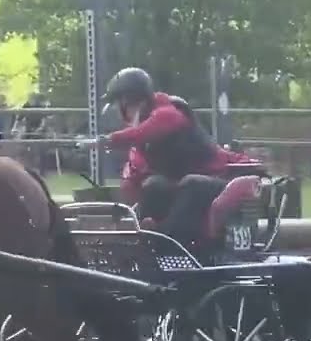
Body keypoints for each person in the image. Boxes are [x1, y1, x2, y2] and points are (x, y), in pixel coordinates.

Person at [102, 67, 254, 246]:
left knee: (192, 184)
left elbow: (145, 131)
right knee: (154, 185)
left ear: (129, 101)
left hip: (220, 178)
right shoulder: (142, 140)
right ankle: (142, 240)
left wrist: (107, 140)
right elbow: (134, 173)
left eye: (118, 105)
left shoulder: (169, 111)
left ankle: (168, 241)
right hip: (184, 183)